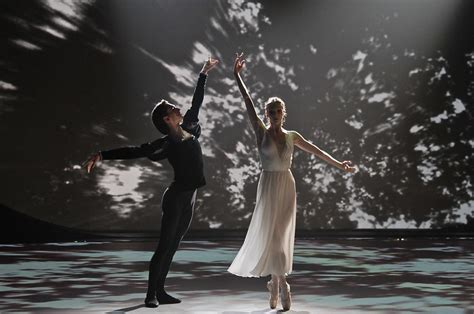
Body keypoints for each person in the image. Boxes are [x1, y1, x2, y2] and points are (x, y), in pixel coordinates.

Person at [83, 57, 219, 307]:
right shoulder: (166, 143)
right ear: (168, 120)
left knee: (174, 246)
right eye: (172, 109)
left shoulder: (190, 125)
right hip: (176, 198)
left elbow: (196, 101)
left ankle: (162, 290)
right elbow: (135, 151)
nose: (178, 109)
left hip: (190, 196)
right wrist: (103, 155)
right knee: (165, 245)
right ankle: (150, 294)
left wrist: (203, 73)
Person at [227, 53, 356, 311]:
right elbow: (247, 100)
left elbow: (317, 151)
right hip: (267, 186)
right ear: (266, 114)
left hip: (286, 186)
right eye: (270, 111)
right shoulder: (259, 131)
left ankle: (276, 284)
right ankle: (280, 284)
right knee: (271, 237)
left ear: (283, 113)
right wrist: (237, 76)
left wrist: (339, 165)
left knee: (279, 237)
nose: (274, 114)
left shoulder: (291, 136)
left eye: (277, 111)